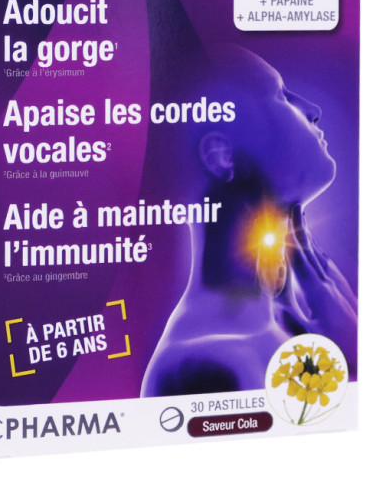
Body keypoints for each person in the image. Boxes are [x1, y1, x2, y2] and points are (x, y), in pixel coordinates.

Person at [141, 45, 357, 397]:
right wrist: (349, 362)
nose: (313, 111)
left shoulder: (297, 321)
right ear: (223, 156)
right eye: (281, 95)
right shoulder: (210, 361)